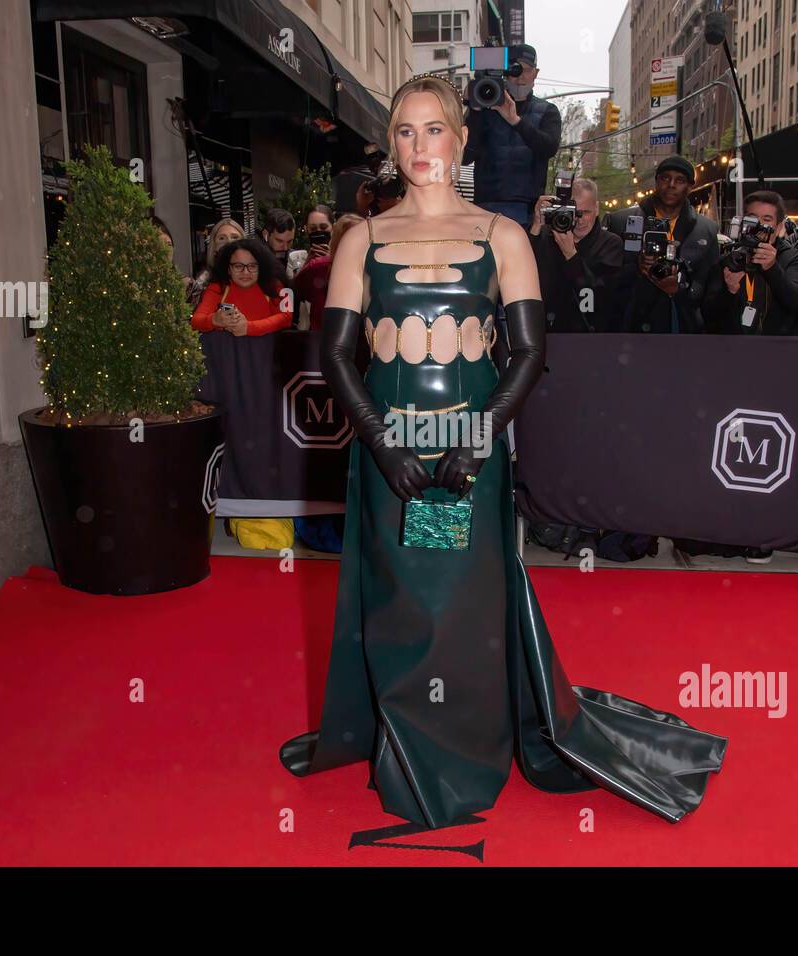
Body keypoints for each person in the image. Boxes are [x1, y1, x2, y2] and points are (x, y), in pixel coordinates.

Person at [277, 74, 726, 829]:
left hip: (469, 449)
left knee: (462, 603)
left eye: (435, 130)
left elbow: (527, 353)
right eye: (406, 133)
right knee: (400, 602)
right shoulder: (364, 237)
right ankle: (406, 742)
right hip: (390, 450)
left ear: (460, 137)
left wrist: (479, 441)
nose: (421, 147)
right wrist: (383, 445)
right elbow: (337, 357)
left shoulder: (501, 234)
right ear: (393, 146)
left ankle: (470, 744)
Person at [609, 155, 720, 333]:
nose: (671, 185)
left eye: (680, 180)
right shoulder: (621, 222)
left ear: (690, 186)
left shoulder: (706, 231)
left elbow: (709, 293)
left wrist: (678, 289)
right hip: (629, 329)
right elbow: (607, 282)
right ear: (656, 181)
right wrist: (636, 267)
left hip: (679, 331)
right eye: (665, 178)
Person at [461, 44, 562, 228]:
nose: (521, 77)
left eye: (527, 70)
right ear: (505, 73)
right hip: (486, 210)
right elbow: (464, 156)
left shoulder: (547, 111)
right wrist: (475, 109)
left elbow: (548, 147)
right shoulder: (485, 110)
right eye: (515, 70)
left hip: (529, 213)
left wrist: (515, 120)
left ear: (536, 73)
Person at [702, 189, 798, 334]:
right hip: (733, 348)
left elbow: (796, 303)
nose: (759, 226)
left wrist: (772, 268)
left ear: (778, 227)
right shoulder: (730, 258)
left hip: (778, 347)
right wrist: (728, 292)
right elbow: (708, 313)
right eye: (752, 219)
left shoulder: (792, 258)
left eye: (766, 220)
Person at [528, 176, 623, 332]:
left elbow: (600, 298)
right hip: (544, 330)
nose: (579, 220)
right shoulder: (546, 236)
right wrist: (536, 226)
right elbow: (521, 271)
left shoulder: (610, 244)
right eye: (574, 212)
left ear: (597, 209)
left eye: (585, 212)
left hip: (587, 334)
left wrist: (571, 254)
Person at [189, 237, 291, 336]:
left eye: (252, 266)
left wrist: (249, 327)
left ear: (261, 267)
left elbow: (287, 318)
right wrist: (214, 320)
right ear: (228, 269)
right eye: (238, 266)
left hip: (267, 351)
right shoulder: (218, 287)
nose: (245, 272)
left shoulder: (276, 284)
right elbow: (195, 321)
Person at [291, 213, 362, 331]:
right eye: (313, 229)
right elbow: (294, 290)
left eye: (323, 228)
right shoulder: (318, 266)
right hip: (322, 338)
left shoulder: (372, 268)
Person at [189, 217, 244, 308]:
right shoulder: (203, 283)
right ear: (213, 247)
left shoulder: (258, 277)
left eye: (235, 237)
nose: (229, 242)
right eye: (222, 238)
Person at [286, 204, 333, 281]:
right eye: (313, 228)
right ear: (306, 229)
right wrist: (307, 264)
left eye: (323, 227)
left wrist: (330, 261)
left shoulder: (341, 258)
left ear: (333, 228)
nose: (318, 231)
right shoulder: (295, 258)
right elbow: (290, 289)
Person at [260, 207, 297, 281]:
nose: (285, 248)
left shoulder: (294, 259)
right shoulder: (254, 260)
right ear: (265, 235)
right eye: (279, 241)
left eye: (290, 241)